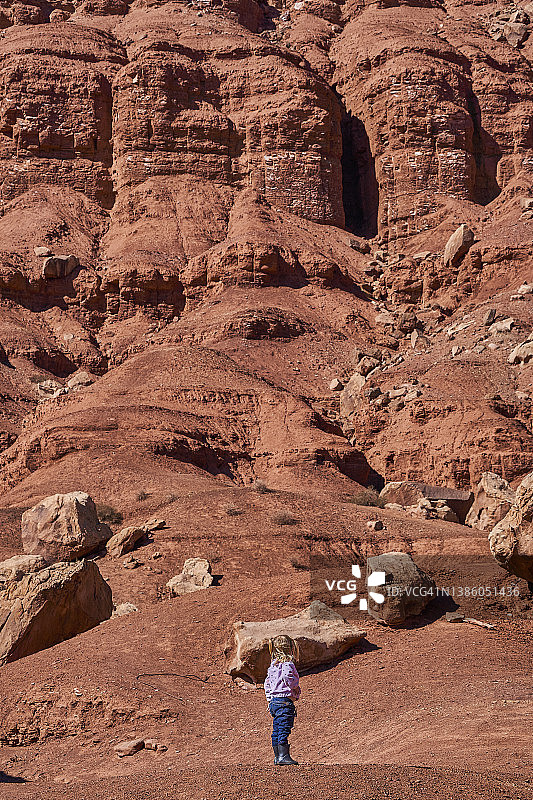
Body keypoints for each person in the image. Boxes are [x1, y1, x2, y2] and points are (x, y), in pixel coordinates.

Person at [264, 635, 301, 766]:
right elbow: (288, 677)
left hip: (275, 702)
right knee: (284, 727)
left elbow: (267, 683)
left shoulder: (272, 666)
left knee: (277, 728)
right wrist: (295, 685)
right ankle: (283, 756)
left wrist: (270, 700)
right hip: (285, 702)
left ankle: (277, 756)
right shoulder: (288, 664)